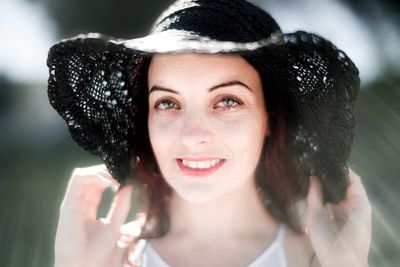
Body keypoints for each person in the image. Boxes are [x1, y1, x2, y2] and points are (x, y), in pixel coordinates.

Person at [47, 0, 371, 266]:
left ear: (270, 117)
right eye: (167, 103)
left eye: (227, 101)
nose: (191, 136)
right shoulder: (105, 259)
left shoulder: (320, 258)